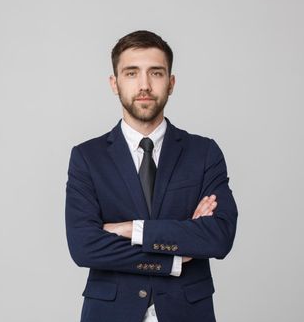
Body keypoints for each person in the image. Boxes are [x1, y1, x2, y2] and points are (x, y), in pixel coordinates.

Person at [65, 30, 238, 322]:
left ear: (170, 83)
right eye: (131, 73)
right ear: (114, 83)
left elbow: (218, 237)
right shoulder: (87, 157)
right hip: (111, 313)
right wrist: (173, 258)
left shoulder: (204, 153)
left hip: (187, 312)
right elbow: (85, 247)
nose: (144, 85)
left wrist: (132, 229)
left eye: (155, 73)